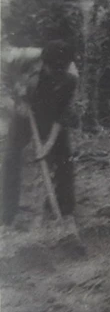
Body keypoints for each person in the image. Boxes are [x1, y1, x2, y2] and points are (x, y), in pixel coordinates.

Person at [1, 40, 79, 228]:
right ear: (44, 64)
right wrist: (13, 102)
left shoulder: (71, 76)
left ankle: (64, 213)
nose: (59, 75)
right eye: (55, 71)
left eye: (63, 70)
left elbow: (64, 114)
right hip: (23, 111)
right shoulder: (20, 59)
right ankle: (6, 215)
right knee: (11, 158)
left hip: (51, 112)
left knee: (64, 160)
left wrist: (48, 145)